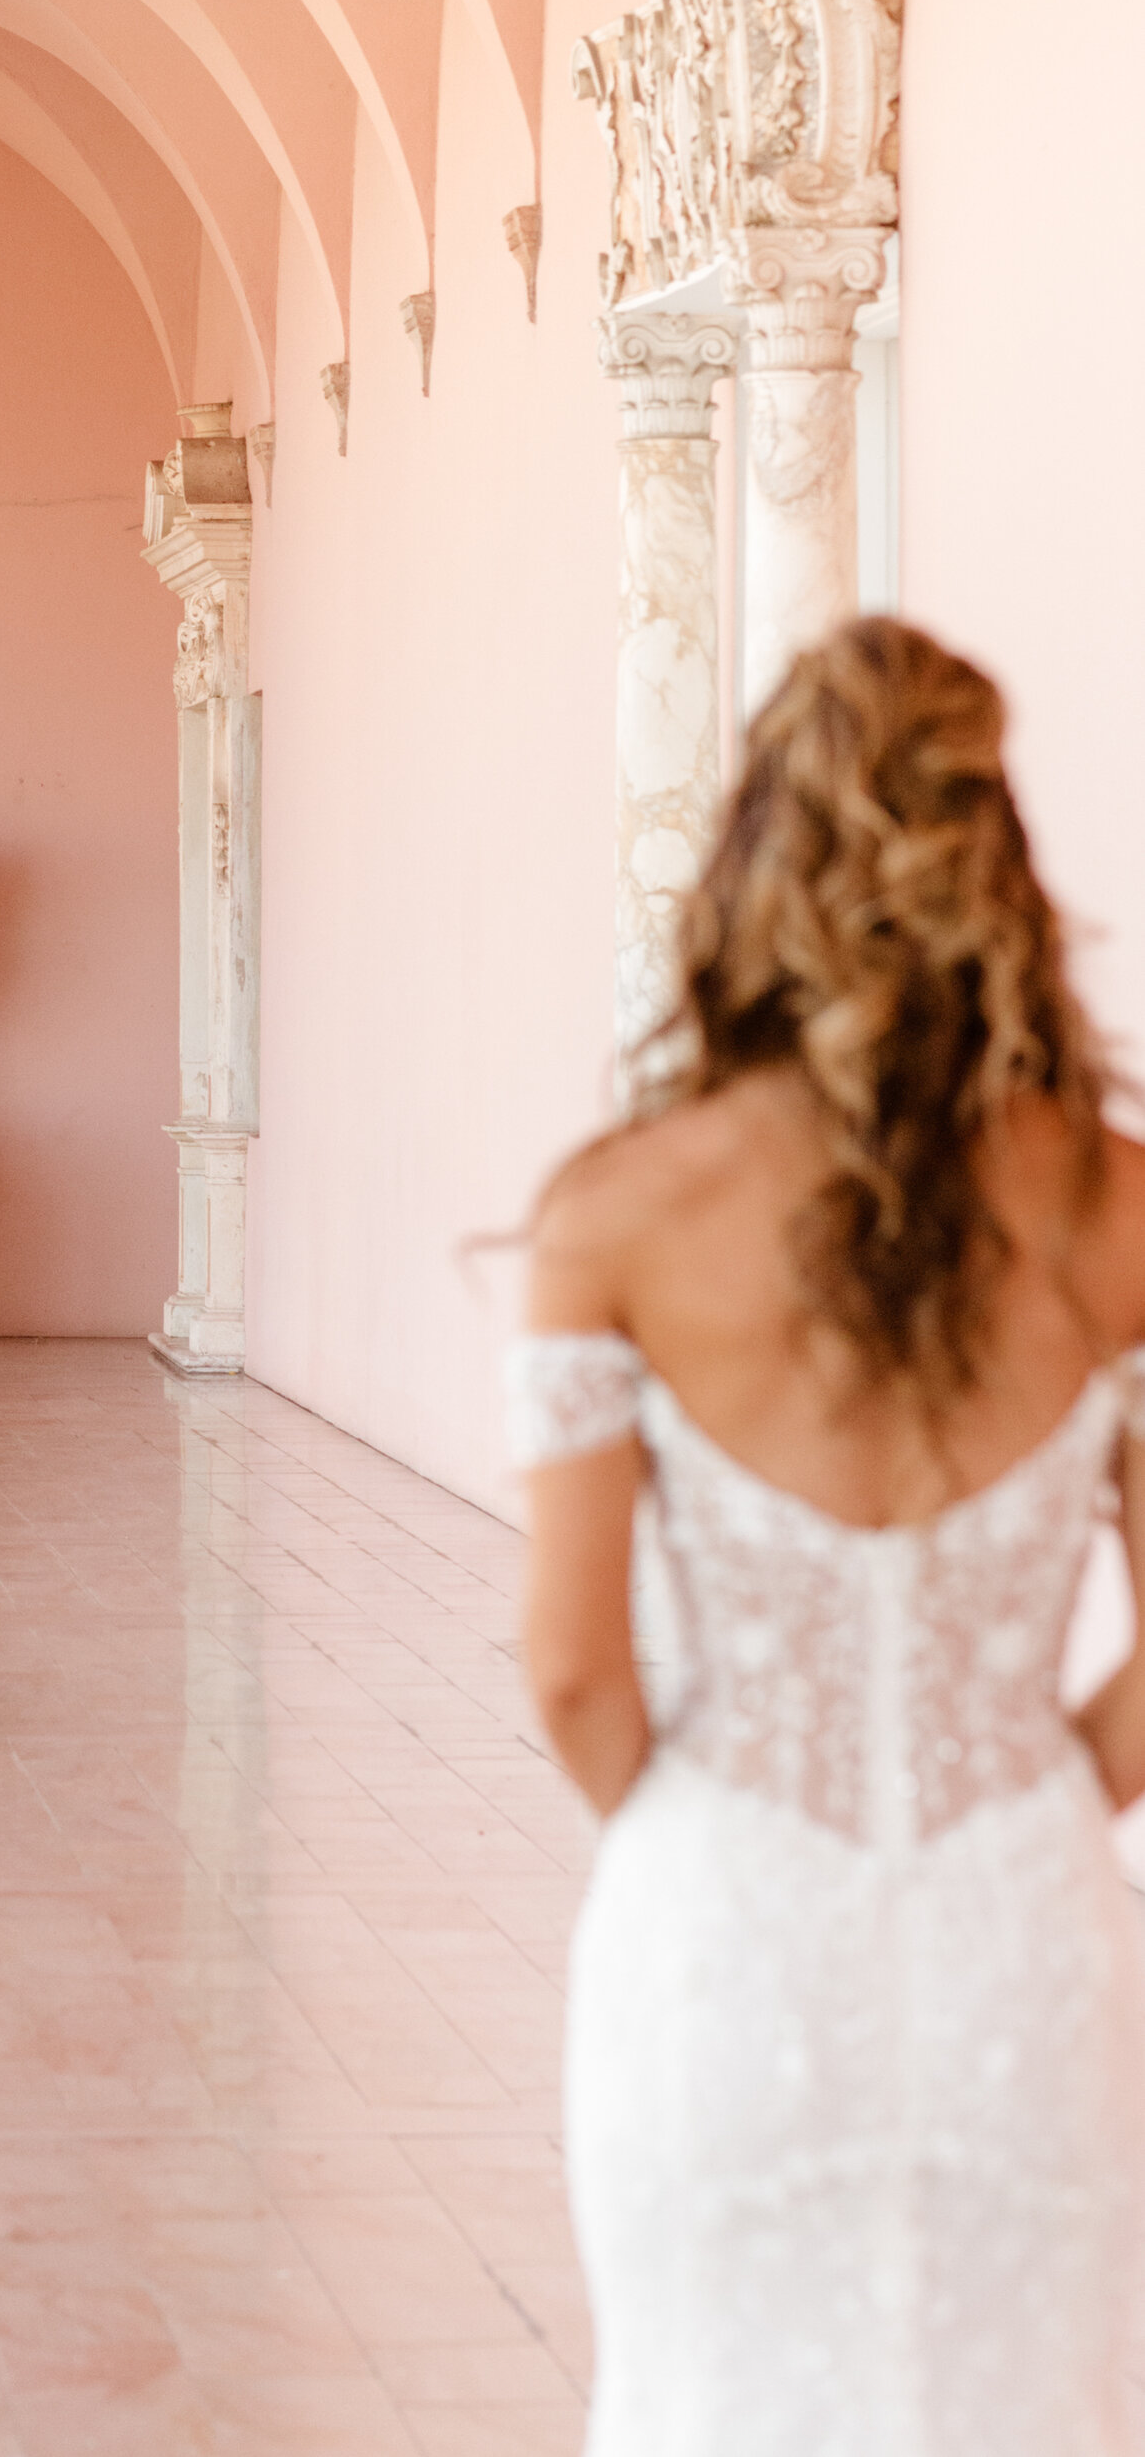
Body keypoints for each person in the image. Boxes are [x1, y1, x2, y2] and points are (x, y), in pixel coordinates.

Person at [513, 616, 1145, 2456]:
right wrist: (1024, 1797)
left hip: (723, 1934)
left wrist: (711, 1833)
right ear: (990, 862)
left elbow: (569, 1672)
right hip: (1023, 1929)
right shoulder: (1118, 1211)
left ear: (755, 870)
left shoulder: (617, 1213)